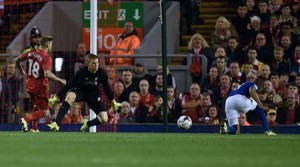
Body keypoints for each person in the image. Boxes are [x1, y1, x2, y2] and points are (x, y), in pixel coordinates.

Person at [47, 54, 122, 131]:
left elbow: (107, 88)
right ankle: (56, 124)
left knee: (104, 119)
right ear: (88, 63)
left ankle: (88, 124)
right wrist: (56, 97)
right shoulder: (81, 72)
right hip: (80, 92)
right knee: (70, 96)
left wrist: (114, 102)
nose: (96, 65)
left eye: (97, 63)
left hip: (93, 95)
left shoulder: (102, 73)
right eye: (93, 63)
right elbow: (69, 85)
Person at [15, 36, 66, 132]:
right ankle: (25, 120)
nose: (51, 46)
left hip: (29, 86)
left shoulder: (31, 52)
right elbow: (47, 74)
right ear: (48, 45)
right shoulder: (46, 57)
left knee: (36, 105)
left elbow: (17, 60)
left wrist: (21, 69)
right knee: (44, 112)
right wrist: (60, 80)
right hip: (40, 87)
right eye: (51, 44)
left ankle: (34, 128)